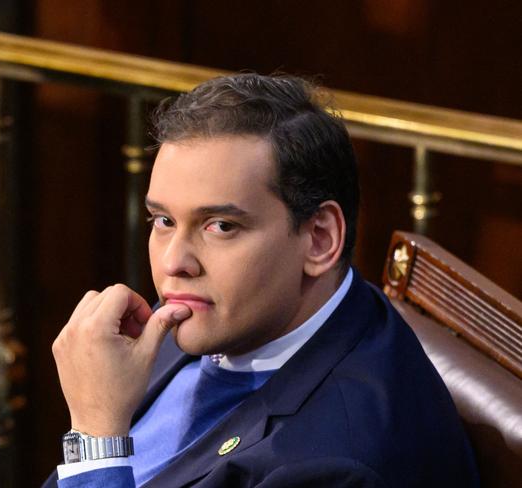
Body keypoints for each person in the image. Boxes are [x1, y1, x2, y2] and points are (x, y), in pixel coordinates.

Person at [44, 73, 479, 487]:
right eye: (163, 220)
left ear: (319, 239)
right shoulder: (227, 310)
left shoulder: (340, 466)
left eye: (221, 226)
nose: (174, 262)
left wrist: (95, 438)